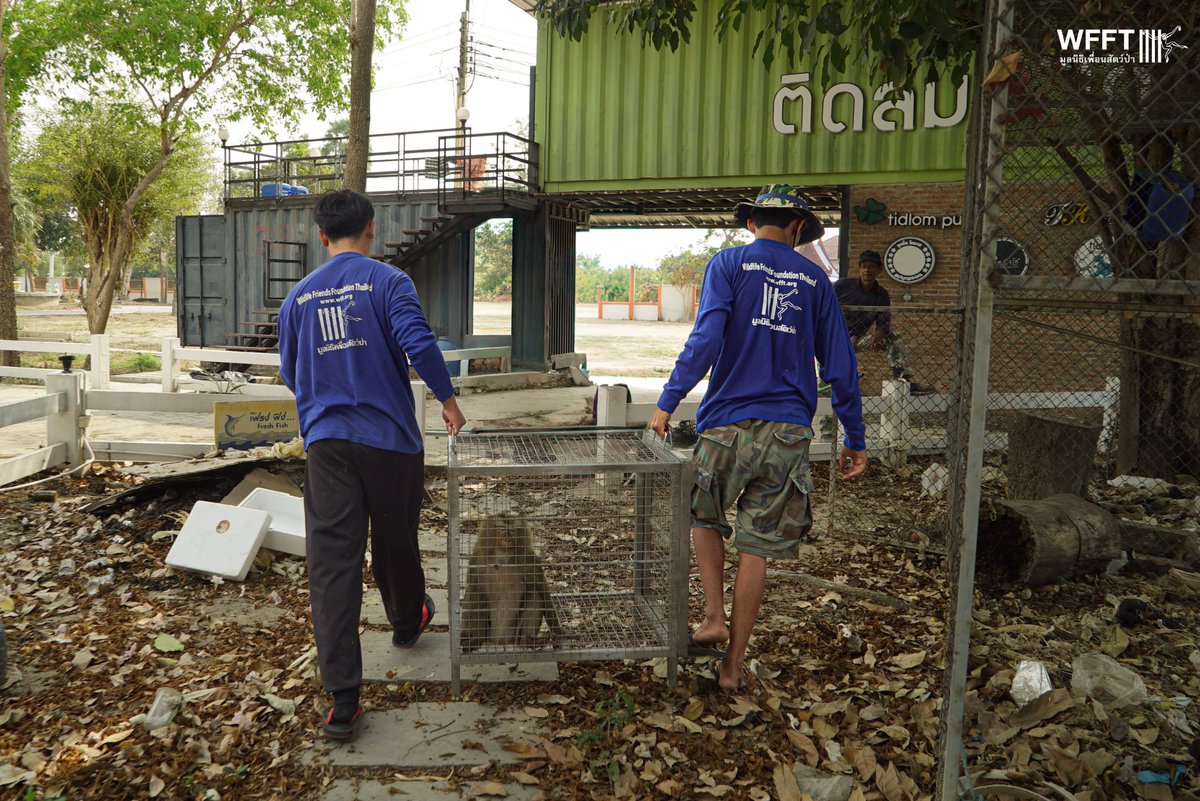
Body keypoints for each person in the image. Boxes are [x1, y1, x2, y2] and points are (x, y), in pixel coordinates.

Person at [649, 184, 868, 693]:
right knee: (757, 547)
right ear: (797, 228)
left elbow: (705, 339)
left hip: (725, 425)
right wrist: (853, 437)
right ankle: (733, 666)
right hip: (788, 433)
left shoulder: (727, 265)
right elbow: (841, 365)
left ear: (752, 223)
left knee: (703, 515)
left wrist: (668, 400)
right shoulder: (816, 279)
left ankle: (712, 616)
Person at [278, 189, 466, 740]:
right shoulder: (388, 282)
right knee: (395, 542)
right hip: (389, 441)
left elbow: (291, 371)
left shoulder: (298, 298)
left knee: (332, 567)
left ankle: (342, 702)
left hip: (328, 444)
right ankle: (408, 623)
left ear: (321, 237)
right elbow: (420, 344)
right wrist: (449, 403)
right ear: (371, 230)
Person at [832, 250, 929, 393]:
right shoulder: (842, 286)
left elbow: (884, 320)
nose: (867, 270)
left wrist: (880, 332)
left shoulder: (881, 294)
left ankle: (903, 380)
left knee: (894, 337)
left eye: (871, 266)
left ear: (879, 270)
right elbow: (822, 306)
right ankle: (825, 411)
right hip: (833, 340)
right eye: (864, 266)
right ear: (859, 268)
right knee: (828, 381)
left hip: (857, 339)